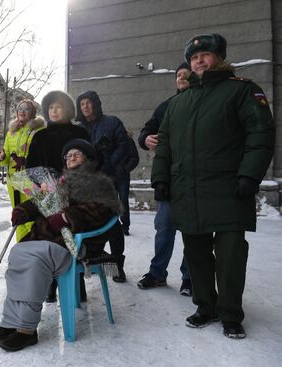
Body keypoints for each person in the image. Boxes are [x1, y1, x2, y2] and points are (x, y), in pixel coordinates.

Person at [151, 33, 275, 339]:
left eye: (205, 55)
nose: (199, 60)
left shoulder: (241, 91)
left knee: (231, 254)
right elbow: (164, 144)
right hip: (188, 190)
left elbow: (260, 134)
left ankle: (230, 313)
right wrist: (160, 179)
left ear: (219, 57)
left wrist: (250, 175)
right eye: (194, 58)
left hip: (229, 188)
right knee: (196, 253)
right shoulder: (178, 103)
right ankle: (205, 306)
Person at [0, 138, 122, 352]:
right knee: (19, 253)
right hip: (51, 239)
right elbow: (43, 202)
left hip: (77, 243)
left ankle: (26, 329)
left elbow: (101, 211)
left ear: (88, 159)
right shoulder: (59, 181)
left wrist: (68, 217)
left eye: (76, 154)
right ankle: (12, 320)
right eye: (68, 155)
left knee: (36, 257)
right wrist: (25, 209)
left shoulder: (99, 182)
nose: (71, 158)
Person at [25, 90, 90, 302]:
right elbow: (30, 166)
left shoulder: (80, 133)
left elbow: (92, 162)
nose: (54, 111)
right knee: (48, 241)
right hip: (47, 196)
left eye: (58, 106)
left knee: (71, 239)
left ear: (67, 109)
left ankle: (77, 286)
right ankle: (50, 285)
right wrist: (41, 183)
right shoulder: (40, 135)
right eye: (51, 107)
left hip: (76, 196)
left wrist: (71, 180)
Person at [137, 62, 193, 295]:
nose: (181, 78)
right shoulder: (166, 106)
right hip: (169, 178)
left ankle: (190, 277)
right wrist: (145, 139)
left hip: (196, 180)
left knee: (193, 231)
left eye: (185, 75)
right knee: (164, 228)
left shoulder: (203, 104)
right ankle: (158, 272)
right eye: (178, 75)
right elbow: (147, 130)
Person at [75, 90, 129, 283]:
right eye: (82, 104)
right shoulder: (79, 128)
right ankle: (92, 262)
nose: (85, 107)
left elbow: (124, 146)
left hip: (108, 182)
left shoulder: (112, 122)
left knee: (112, 222)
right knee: (88, 221)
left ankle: (117, 266)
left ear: (96, 104)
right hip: (86, 184)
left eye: (89, 103)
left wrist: (110, 165)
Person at [0, 99, 45, 241]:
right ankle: (21, 249)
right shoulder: (11, 133)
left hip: (30, 180)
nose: (22, 112)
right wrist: (1, 157)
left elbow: (42, 155)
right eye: (20, 109)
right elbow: (4, 162)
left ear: (32, 112)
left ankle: (34, 249)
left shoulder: (39, 131)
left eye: (26, 109)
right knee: (18, 216)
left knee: (30, 216)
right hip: (13, 182)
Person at [115, 129, 140, 235]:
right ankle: (111, 226)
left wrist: (125, 169)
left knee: (123, 201)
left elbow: (135, 158)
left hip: (123, 177)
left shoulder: (128, 141)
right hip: (109, 177)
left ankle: (125, 227)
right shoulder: (109, 141)